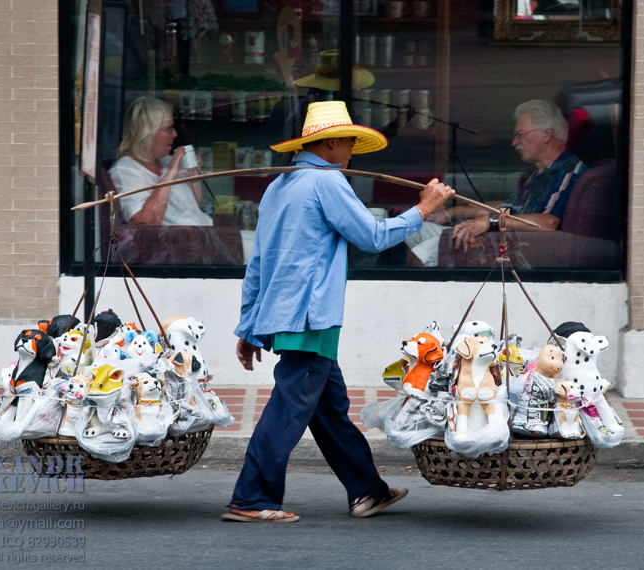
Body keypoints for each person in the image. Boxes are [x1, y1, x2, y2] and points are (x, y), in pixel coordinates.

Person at [224, 101, 454, 523]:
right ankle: (252, 497)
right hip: (311, 315)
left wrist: (250, 324)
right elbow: (372, 237)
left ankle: (367, 490)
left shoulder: (281, 184)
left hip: (285, 312)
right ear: (329, 143)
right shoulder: (326, 183)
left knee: (329, 407)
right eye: (348, 142)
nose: (351, 151)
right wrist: (424, 208)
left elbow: (260, 260)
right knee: (289, 407)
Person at [445, 99, 586, 251]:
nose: (514, 142)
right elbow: (508, 207)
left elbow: (548, 222)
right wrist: (453, 212)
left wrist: (490, 221)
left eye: (520, 134)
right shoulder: (541, 173)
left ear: (547, 134)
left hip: (527, 252)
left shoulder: (568, 172)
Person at [109, 96, 213, 226]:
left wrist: (193, 174)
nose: (175, 134)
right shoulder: (126, 170)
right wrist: (169, 175)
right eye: (169, 129)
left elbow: (192, 207)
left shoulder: (166, 161)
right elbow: (145, 222)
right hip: (179, 242)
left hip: (203, 233)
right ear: (148, 133)